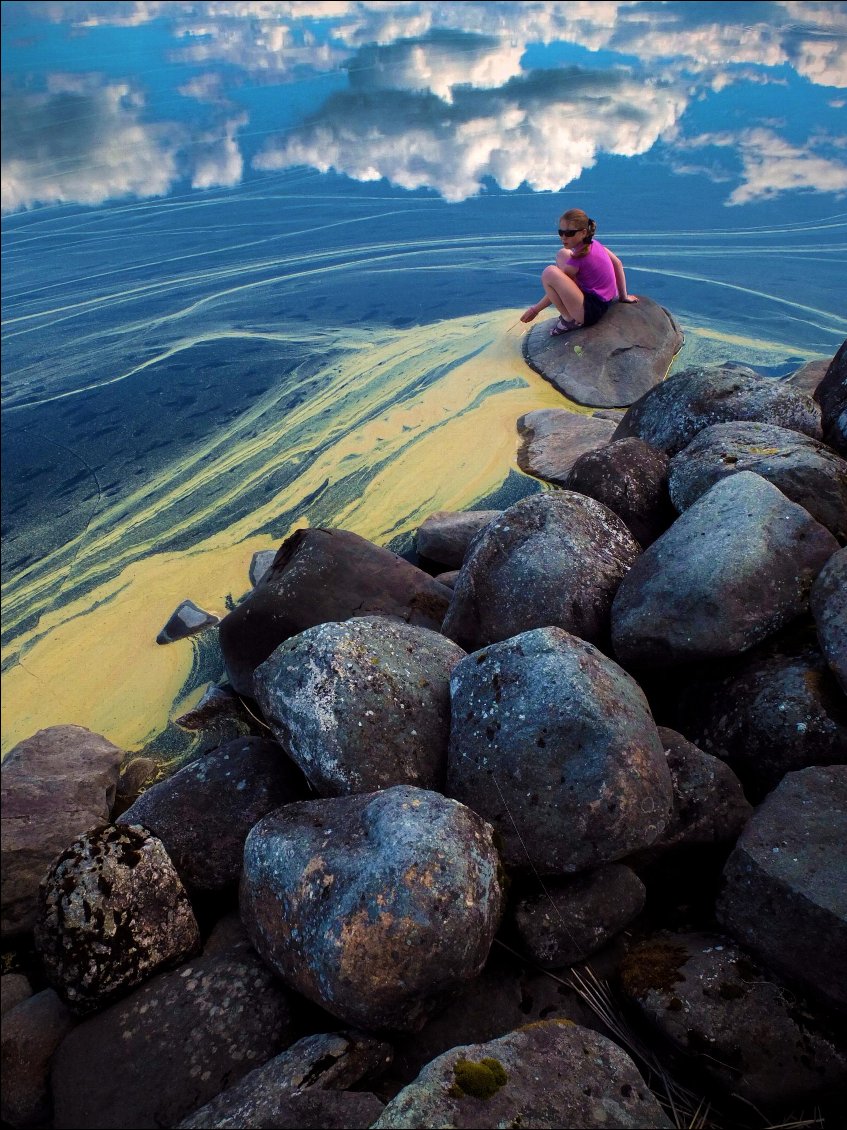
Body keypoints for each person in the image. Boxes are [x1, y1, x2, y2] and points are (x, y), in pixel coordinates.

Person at [520, 209, 638, 335]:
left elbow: (558, 290)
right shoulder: (595, 243)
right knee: (562, 254)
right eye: (561, 232)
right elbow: (618, 263)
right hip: (605, 299)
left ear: (583, 232)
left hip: (591, 312)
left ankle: (568, 319)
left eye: (570, 233)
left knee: (549, 273)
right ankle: (572, 313)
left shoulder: (577, 260)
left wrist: (535, 310)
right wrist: (623, 296)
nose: (564, 237)